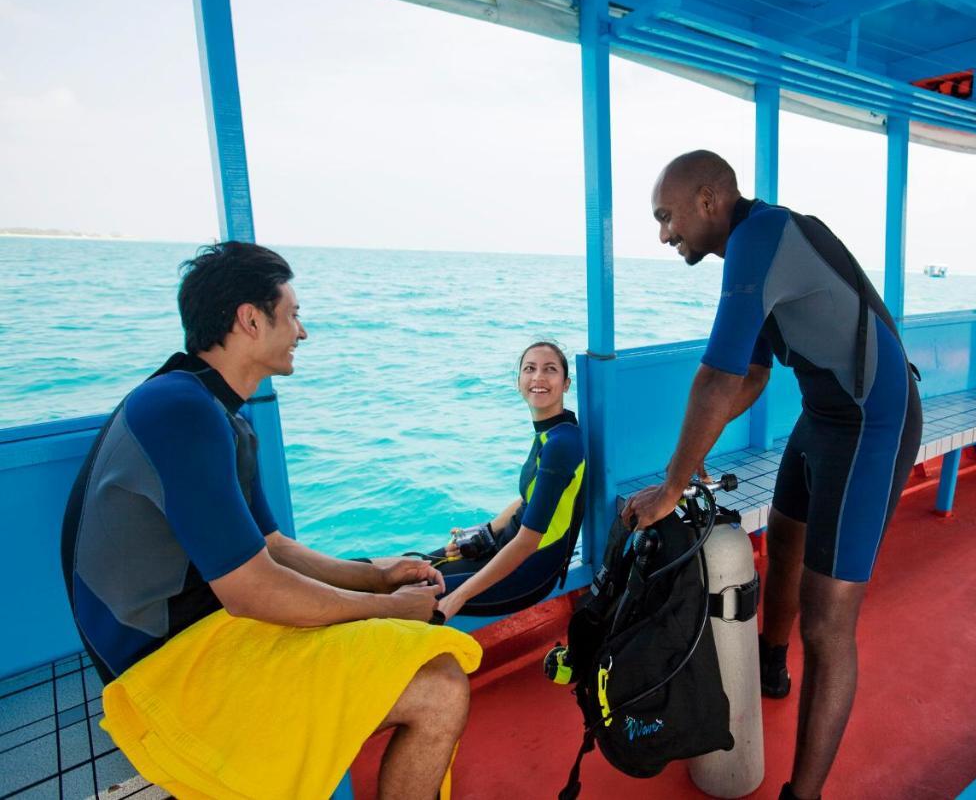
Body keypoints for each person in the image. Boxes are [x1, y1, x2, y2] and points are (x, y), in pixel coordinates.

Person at [61, 242, 479, 800]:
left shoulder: (216, 415)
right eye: (293, 315)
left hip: (208, 639)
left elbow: (271, 546)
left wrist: (376, 576)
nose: (301, 332)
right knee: (439, 686)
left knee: (421, 659)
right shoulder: (180, 412)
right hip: (164, 676)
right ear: (250, 320)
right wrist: (388, 607)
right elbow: (252, 589)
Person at [622, 150, 923, 800]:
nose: (665, 233)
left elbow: (717, 375)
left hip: (875, 417)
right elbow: (753, 373)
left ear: (708, 200)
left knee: (829, 621)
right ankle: (769, 660)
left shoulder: (761, 235)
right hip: (825, 412)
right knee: (784, 536)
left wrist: (672, 483)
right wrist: (705, 438)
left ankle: (803, 794)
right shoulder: (752, 249)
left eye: (667, 216)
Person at [408, 341, 586, 621]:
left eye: (549, 369)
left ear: (565, 384)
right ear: (519, 383)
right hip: (504, 546)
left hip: (527, 571)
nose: (538, 377)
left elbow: (528, 542)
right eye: (530, 369)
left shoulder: (561, 444)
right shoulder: (552, 432)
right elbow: (530, 499)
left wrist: (458, 596)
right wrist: (483, 532)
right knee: (412, 568)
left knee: (405, 594)